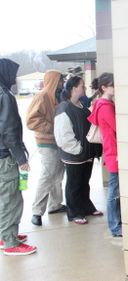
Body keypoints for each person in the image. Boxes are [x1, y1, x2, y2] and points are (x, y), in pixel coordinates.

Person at [0, 58, 37, 256]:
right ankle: (10, 242)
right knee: (11, 198)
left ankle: (5, 234)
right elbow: (8, 131)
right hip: (6, 157)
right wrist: (21, 159)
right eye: (13, 73)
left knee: (4, 198)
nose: (14, 77)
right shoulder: (4, 95)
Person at [54, 76, 103, 225]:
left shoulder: (82, 104)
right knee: (74, 184)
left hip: (86, 154)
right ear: (74, 88)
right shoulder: (64, 108)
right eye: (82, 86)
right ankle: (74, 212)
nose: (85, 89)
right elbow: (63, 136)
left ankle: (86, 207)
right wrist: (78, 149)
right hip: (75, 155)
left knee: (84, 182)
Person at [26, 70, 67, 226]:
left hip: (58, 141)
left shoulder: (58, 96)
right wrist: (52, 127)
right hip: (46, 142)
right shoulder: (41, 96)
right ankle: (37, 211)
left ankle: (55, 205)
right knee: (47, 175)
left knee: (58, 175)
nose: (63, 83)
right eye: (61, 80)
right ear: (53, 81)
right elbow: (31, 120)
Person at [87, 73, 122, 237]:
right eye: (113, 85)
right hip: (114, 153)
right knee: (114, 193)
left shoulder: (101, 104)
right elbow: (118, 128)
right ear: (104, 87)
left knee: (115, 191)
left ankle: (116, 224)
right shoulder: (106, 106)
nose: (117, 87)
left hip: (110, 152)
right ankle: (115, 226)